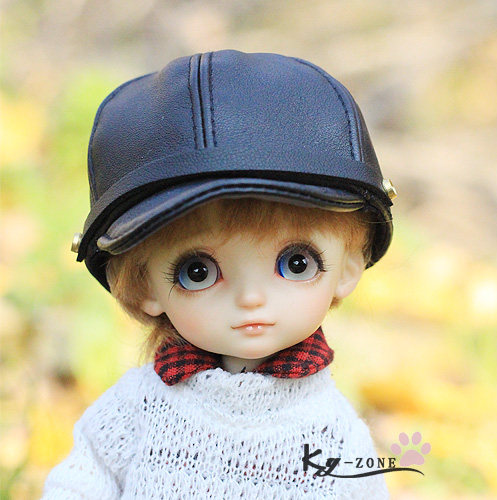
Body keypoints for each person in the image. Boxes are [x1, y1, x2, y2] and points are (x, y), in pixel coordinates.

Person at [42, 49, 397, 499]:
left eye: (296, 263)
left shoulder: (333, 431)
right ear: (143, 283)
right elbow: (81, 480)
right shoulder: (138, 408)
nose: (251, 298)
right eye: (198, 272)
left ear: (348, 267)